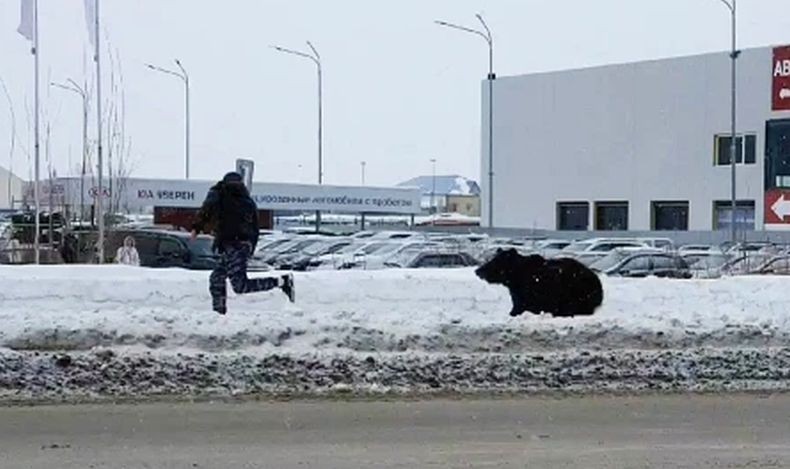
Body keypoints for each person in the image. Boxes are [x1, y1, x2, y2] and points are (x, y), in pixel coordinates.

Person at [191, 171, 294, 315]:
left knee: (239, 286)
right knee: (217, 278)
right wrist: (198, 227)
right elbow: (208, 210)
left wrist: (197, 227)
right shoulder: (225, 196)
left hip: (238, 245)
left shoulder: (236, 199)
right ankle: (218, 313)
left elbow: (207, 210)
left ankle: (282, 282)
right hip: (231, 245)